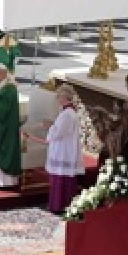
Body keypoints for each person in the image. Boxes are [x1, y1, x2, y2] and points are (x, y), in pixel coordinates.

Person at [44, 84, 83, 213]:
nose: (57, 99)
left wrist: (50, 126)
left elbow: (58, 133)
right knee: (63, 178)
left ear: (65, 97)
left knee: (60, 178)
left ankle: (59, 205)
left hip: (63, 150)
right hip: (66, 149)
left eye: (59, 96)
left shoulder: (67, 114)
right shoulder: (69, 112)